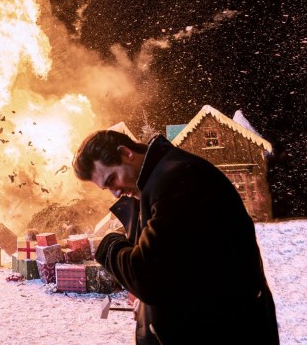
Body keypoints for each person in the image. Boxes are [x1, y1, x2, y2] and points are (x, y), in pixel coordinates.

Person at [73, 130, 279, 344]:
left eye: (112, 179)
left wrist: (109, 244)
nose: (114, 193)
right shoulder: (157, 182)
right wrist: (148, 309)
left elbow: (147, 277)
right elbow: (182, 268)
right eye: (107, 187)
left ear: (126, 153)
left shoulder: (177, 180)